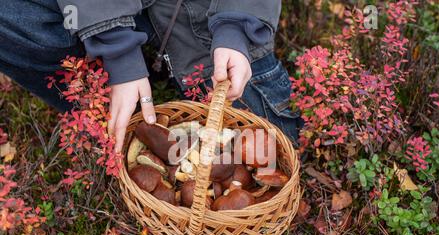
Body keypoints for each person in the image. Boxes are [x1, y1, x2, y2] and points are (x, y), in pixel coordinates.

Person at [0, 0, 303, 152]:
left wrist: (237, 27)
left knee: (274, 148)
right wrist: (116, 46)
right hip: (106, 14)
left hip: (202, 27)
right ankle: (104, 106)